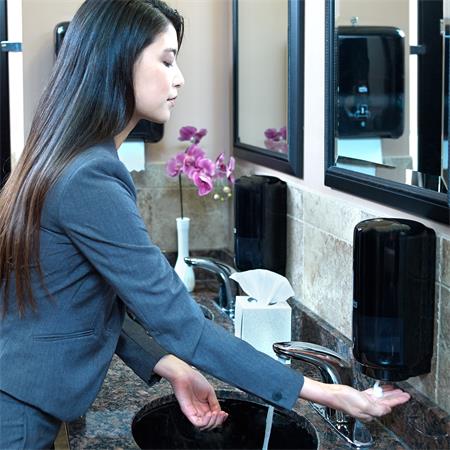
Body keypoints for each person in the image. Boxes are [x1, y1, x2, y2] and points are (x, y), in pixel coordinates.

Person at [0, 0, 410, 448]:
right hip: (18, 415)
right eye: (166, 60)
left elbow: (86, 301)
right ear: (118, 62)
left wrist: (173, 366)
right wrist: (327, 393)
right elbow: (182, 323)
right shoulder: (91, 177)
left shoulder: (72, 158)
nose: (179, 78)